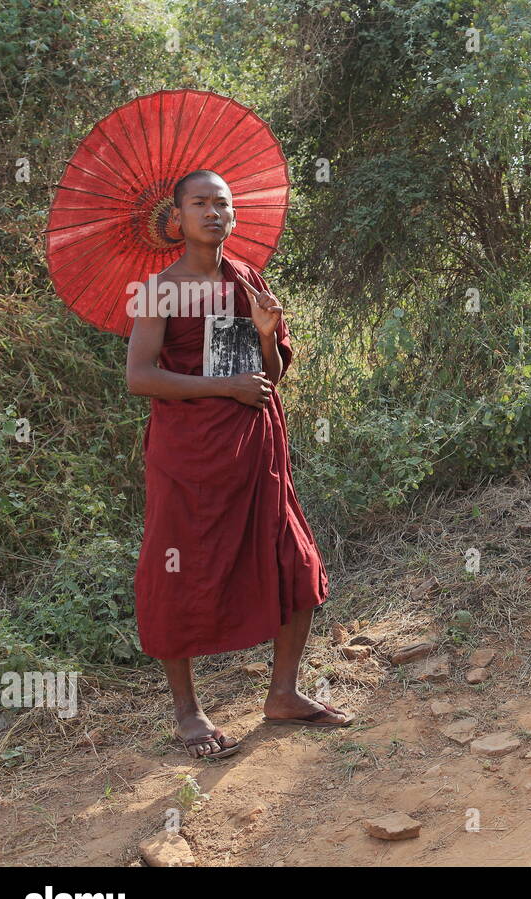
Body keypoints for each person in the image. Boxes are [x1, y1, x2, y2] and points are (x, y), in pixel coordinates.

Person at [126, 169, 353, 759]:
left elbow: (269, 379)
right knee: (178, 570)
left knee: (293, 560)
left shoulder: (247, 278)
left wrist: (268, 334)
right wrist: (224, 387)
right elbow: (140, 377)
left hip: (254, 449)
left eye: (222, 203)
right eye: (199, 203)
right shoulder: (160, 290)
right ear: (176, 218)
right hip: (188, 456)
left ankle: (282, 694)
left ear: (234, 215)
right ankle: (188, 711)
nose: (212, 212)